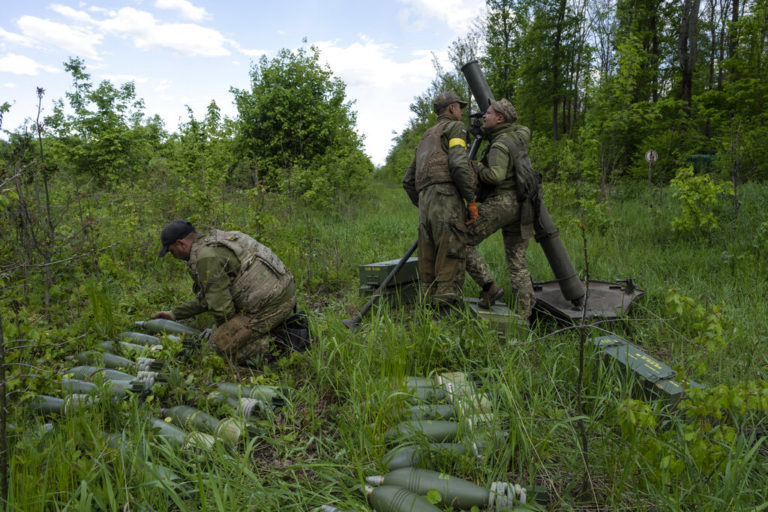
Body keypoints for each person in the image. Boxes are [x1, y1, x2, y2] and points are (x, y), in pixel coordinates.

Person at [153, 219, 297, 364]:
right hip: (283, 292)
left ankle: (287, 342)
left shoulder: (206, 258)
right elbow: (209, 297)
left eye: (172, 251)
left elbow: (223, 313)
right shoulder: (217, 241)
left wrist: (222, 335)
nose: (174, 256)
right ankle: (275, 329)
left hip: (273, 305)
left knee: (212, 354)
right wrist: (174, 314)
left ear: (181, 244)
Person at [465, 99, 541, 321]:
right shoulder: (518, 135)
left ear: (500, 118)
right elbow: (523, 128)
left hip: (503, 203)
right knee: (517, 264)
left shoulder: (499, 145)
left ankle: (488, 286)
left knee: (462, 241)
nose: (483, 117)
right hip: (523, 206)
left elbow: (495, 176)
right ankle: (525, 316)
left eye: (488, 113)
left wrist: (478, 167)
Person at [402, 91, 478, 310]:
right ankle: (445, 320)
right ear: (452, 108)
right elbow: (458, 164)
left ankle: (426, 317)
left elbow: (408, 180)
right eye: (459, 108)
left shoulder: (426, 136)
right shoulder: (455, 128)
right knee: (450, 259)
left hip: (425, 203)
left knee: (428, 263)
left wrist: (427, 201)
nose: (461, 112)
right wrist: (470, 201)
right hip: (446, 200)